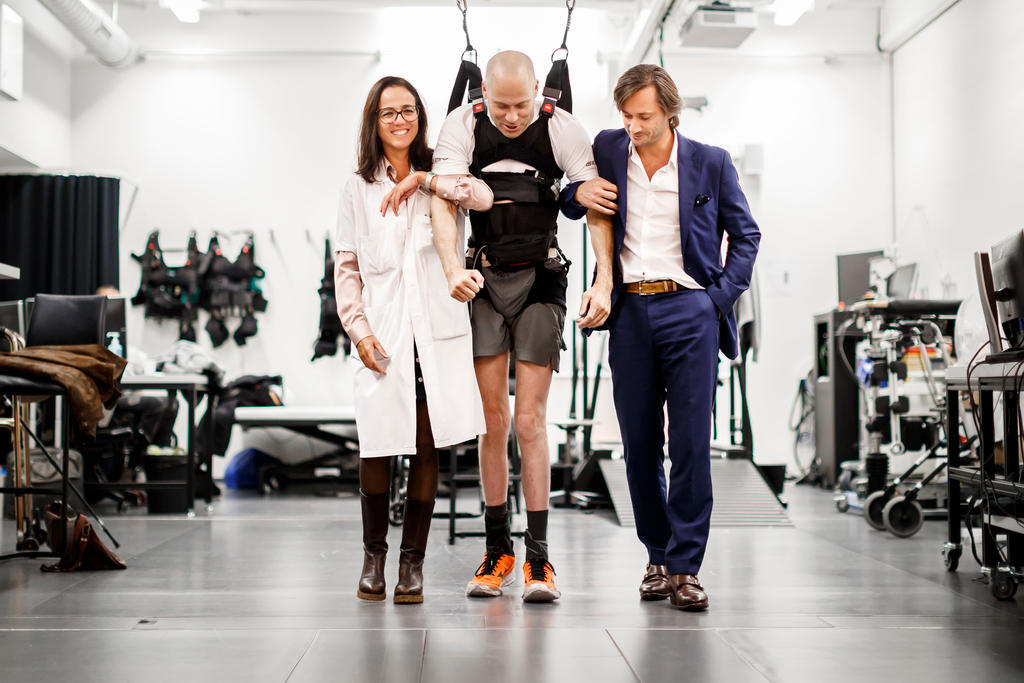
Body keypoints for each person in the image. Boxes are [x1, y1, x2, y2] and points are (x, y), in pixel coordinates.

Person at [427, 50, 619, 603]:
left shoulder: (563, 128)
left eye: (521, 104)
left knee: (530, 421)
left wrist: (604, 280)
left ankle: (539, 559)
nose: (511, 117)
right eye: (500, 106)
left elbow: (599, 204)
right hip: (484, 280)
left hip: (540, 280)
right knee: (493, 421)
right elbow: (443, 198)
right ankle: (496, 551)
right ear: (482, 93)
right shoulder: (461, 124)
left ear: (539, 87)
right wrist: (451, 270)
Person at [581, 64, 761, 611]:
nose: (634, 127)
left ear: (670, 112)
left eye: (645, 117)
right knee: (638, 444)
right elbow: (573, 201)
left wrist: (715, 300)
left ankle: (686, 567)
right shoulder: (609, 149)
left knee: (689, 444)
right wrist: (579, 189)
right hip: (632, 310)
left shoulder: (710, 162)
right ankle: (656, 556)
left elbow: (746, 235)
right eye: (627, 117)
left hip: (691, 309)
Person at [335, 76, 489, 604]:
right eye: (388, 113)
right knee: (377, 445)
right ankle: (373, 557)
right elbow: (347, 266)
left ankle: (411, 566)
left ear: (420, 116)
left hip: (437, 333)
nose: (399, 120)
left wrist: (424, 179)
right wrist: (359, 331)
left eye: (408, 111)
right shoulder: (357, 187)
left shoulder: (443, 175)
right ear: (373, 123)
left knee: (427, 446)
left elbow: (483, 197)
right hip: (384, 333)